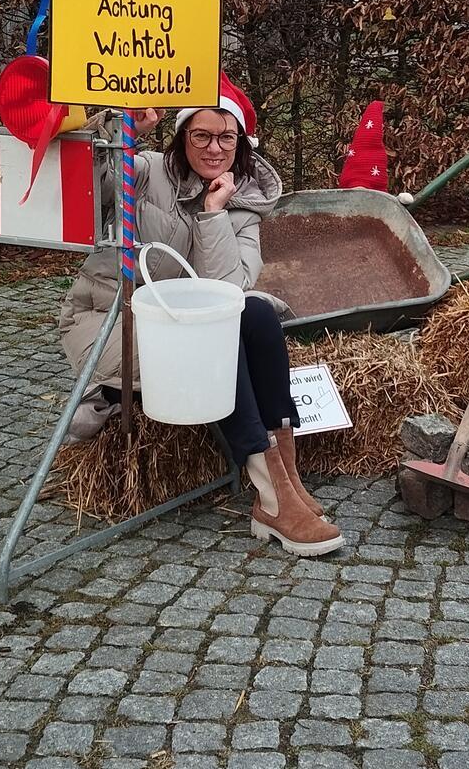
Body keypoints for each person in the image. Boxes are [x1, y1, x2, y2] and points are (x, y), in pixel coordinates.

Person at [55, 75, 343, 556]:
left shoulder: (243, 203)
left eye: (225, 137)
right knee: (215, 340)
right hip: (112, 321)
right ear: (182, 137)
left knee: (255, 317)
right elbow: (88, 178)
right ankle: (272, 497)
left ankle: (285, 480)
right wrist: (123, 130)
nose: (214, 148)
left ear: (241, 142)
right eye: (201, 135)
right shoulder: (143, 171)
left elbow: (230, 289)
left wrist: (213, 213)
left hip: (185, 329)